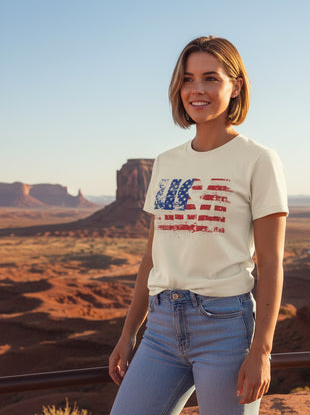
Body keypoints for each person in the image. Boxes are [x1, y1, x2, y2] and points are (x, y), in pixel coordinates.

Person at [109, 36, 288, 415]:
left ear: (235, 85)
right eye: (188, 79)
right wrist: (129, 333)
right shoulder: (167, 162)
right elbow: (151, 257)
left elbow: (271, 264)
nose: (197, 90)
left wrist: (262, 351)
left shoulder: (258, 160)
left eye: (211, 78)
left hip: (224, 328)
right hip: (159, 329)